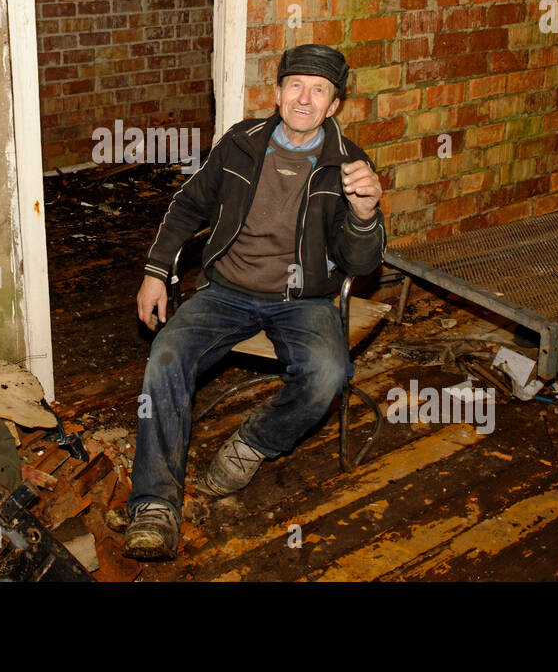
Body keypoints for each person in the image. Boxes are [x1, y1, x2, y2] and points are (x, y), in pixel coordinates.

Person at [123, 43, 386, 560]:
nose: (304, 99)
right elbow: (187, 206)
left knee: (329, 373)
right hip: (227, 290)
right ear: (279, 92)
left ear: (335, 105)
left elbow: (360, 264)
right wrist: (156, 272)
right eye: (295, 86)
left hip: (302, 298)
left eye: (319, 91)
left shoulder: (350, 165)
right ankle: (154, 504)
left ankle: (252, 444)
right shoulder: (241, 143)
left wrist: (364, 214)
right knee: (165, 359)